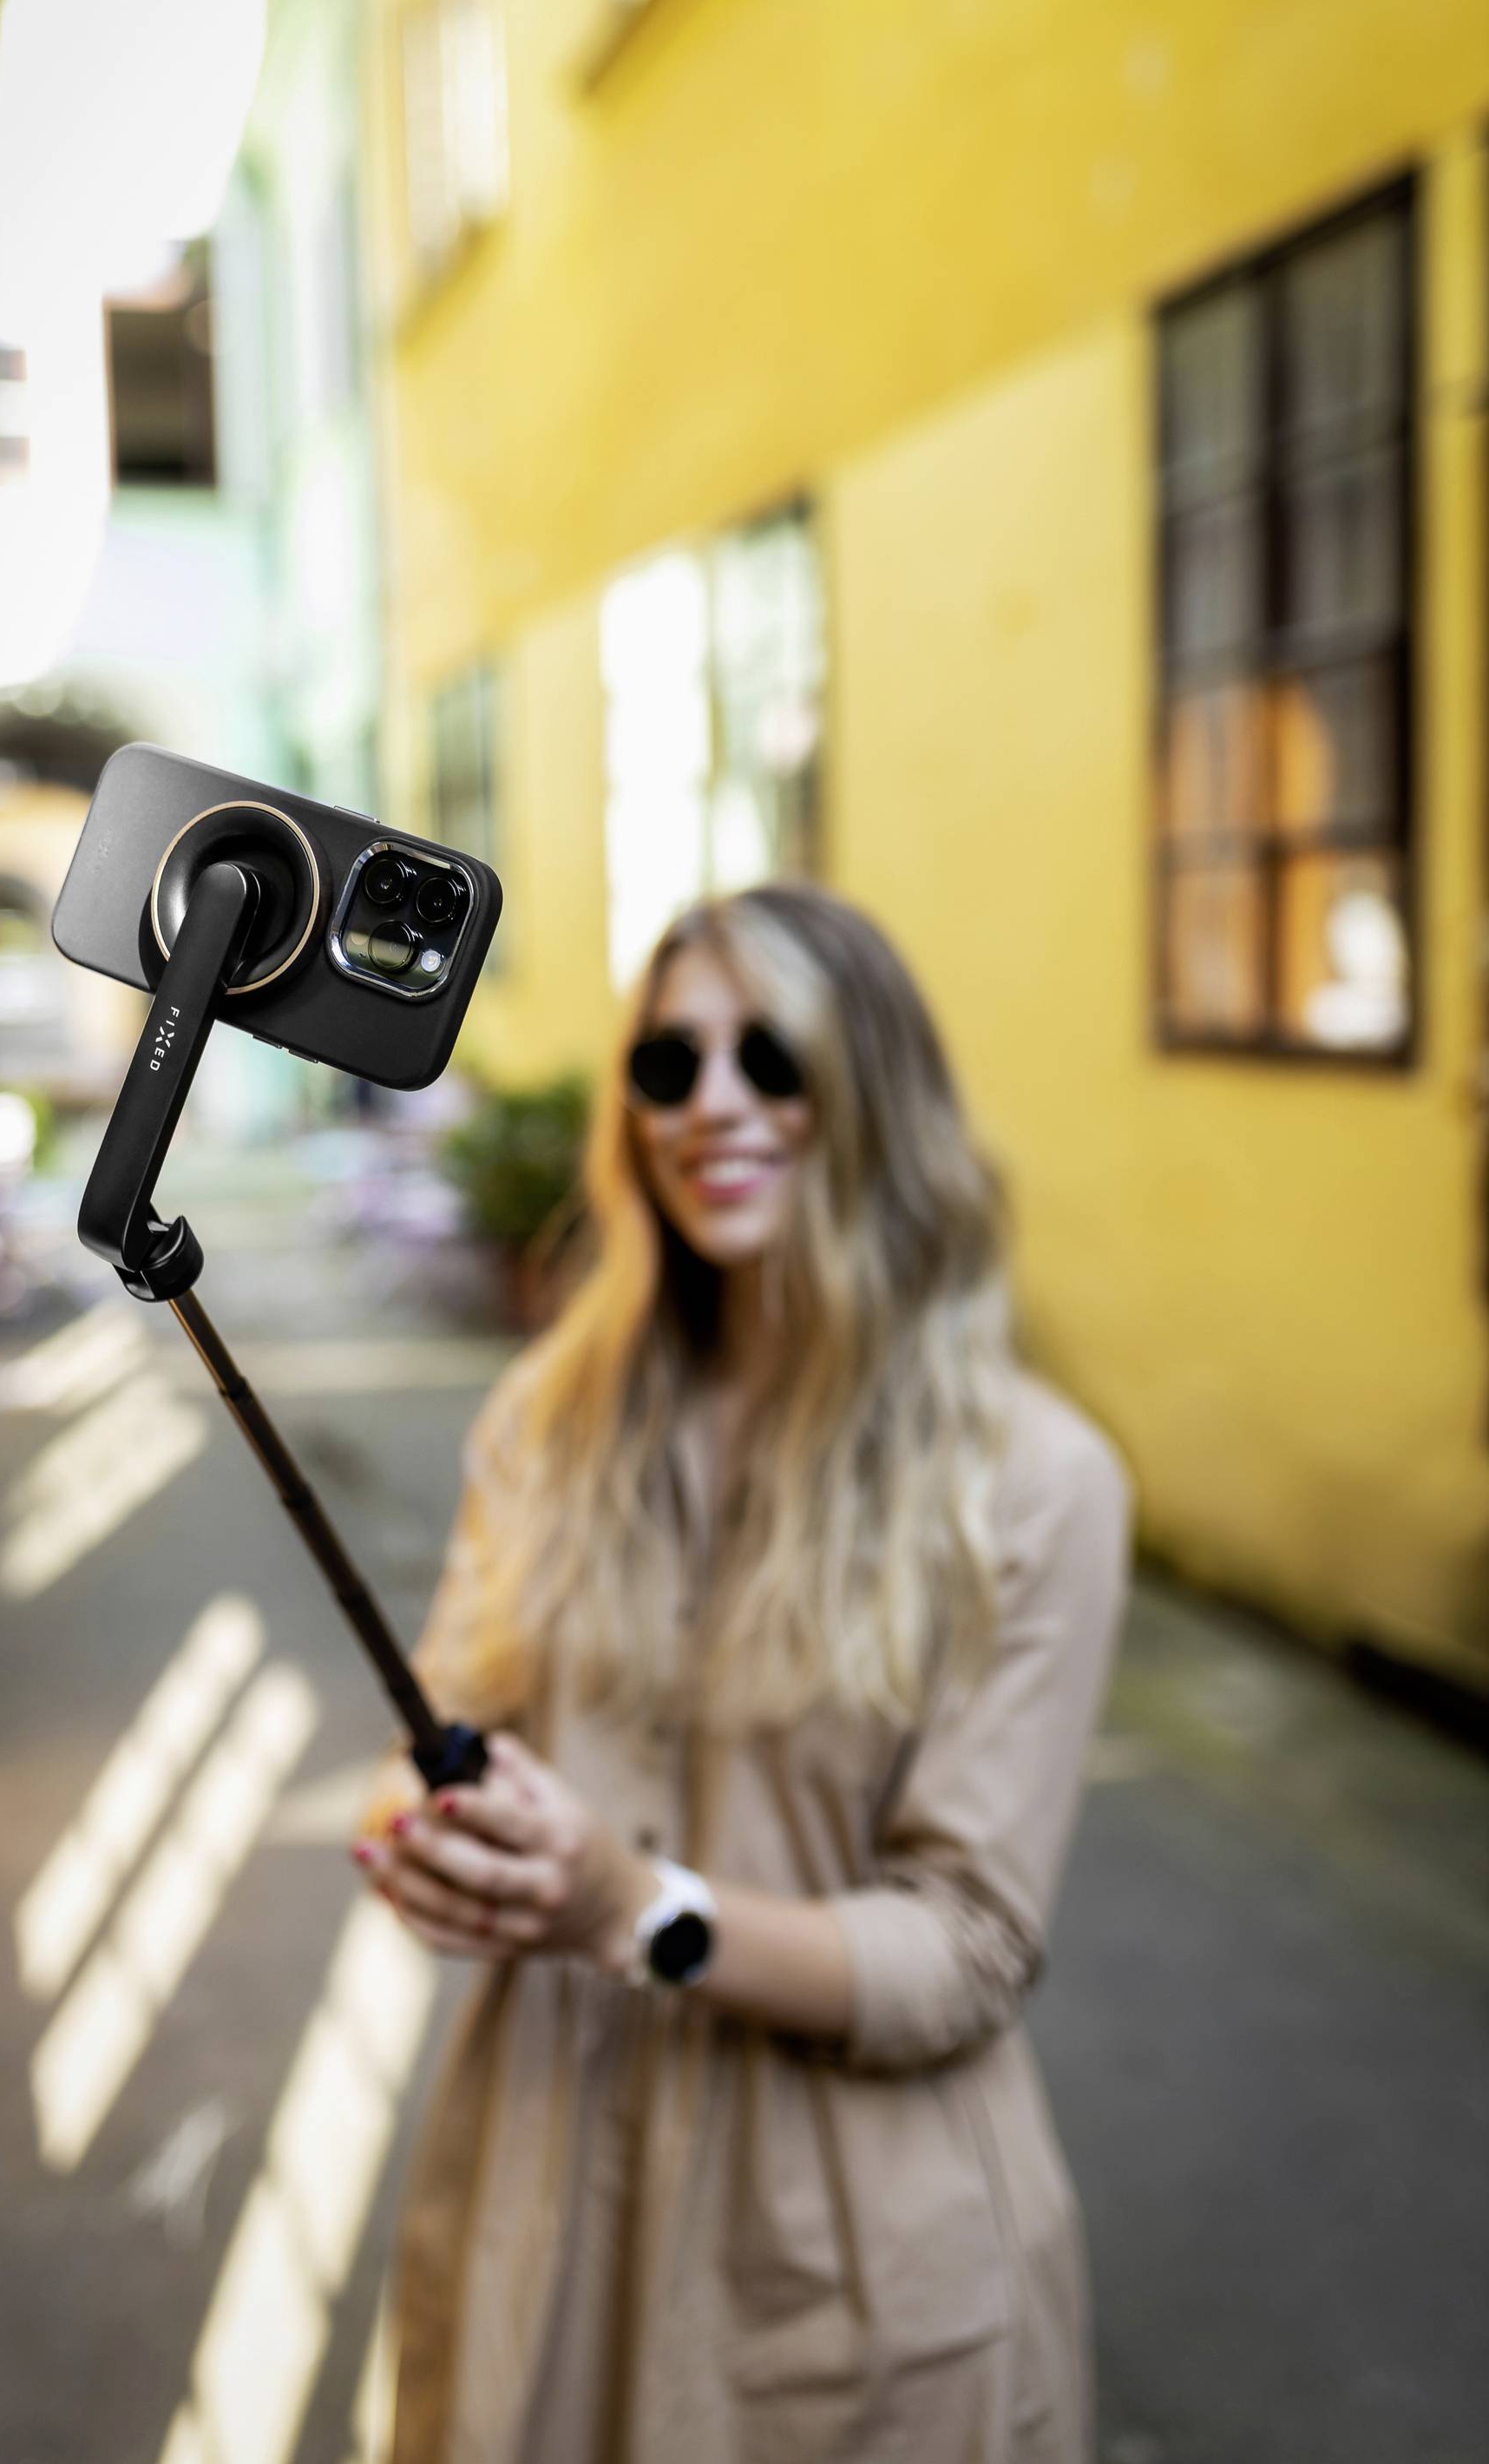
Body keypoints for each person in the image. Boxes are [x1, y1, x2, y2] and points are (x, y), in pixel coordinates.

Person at [356, 882, 1132, 2464]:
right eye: (667, 1066)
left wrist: (632, 1908)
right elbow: (444, 1716)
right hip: (547, 2189)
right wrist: (420, 1836)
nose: (713, 1106)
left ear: (875, 1095)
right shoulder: (548, 1423)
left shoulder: (1034, 1482)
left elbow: (967, 1950)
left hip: (850, 2246)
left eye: (770, 1059)